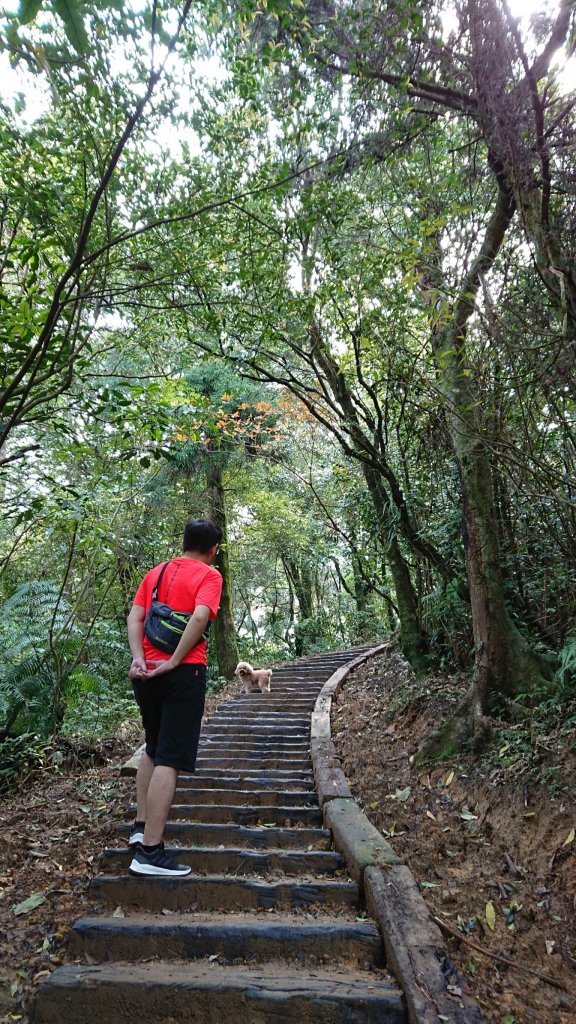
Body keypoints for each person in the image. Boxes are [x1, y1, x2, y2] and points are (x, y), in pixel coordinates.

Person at [126, 518, 223, 877]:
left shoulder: (156, 573)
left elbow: (135, 618)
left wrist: (140, 658)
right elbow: (199, 618)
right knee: (169, 756)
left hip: (145, 673)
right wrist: (175, 661)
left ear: (184, 542)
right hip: (182, 672)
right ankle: (150, 851)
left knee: (153, 747)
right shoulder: (210, 576)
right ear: (213, 549)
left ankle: (140, 827)